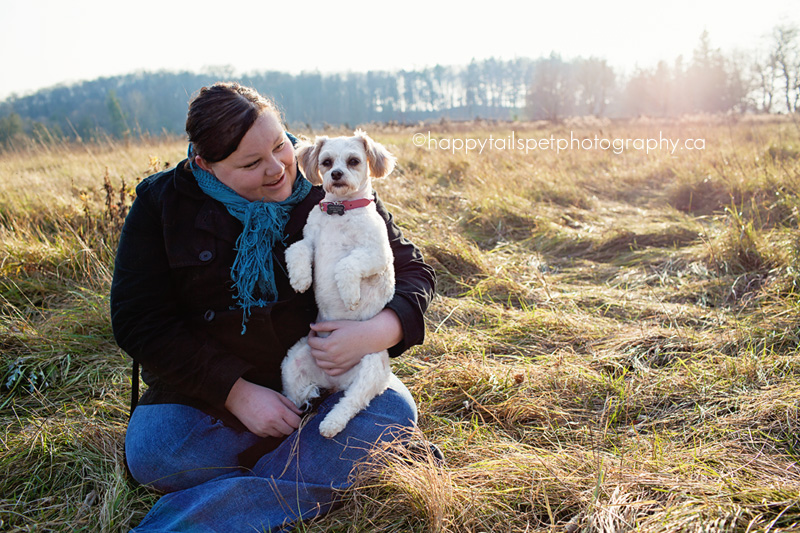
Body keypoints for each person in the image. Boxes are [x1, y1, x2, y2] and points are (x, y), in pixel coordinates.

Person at [110, 82, 435, 532]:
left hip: (323, 383)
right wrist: (236, 393)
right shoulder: (160, 204)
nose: (278, 169)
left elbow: (413, 271)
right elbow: (139, 321)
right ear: (205, 164)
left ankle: (207, 515)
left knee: (394, 411)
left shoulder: (330, 179)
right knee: (155, 451)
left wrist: (376, 332)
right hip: (210, 399)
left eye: (281, 145)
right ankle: (333, 465)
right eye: (250, 163)